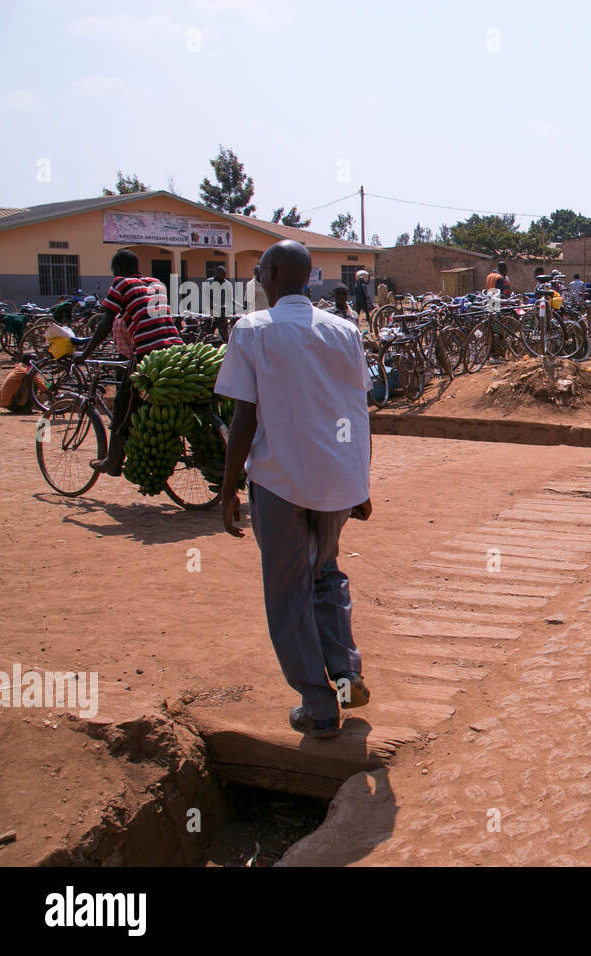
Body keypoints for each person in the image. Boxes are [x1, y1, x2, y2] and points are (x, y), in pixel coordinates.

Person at [216, 240, 373, 740]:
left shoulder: (252, 330)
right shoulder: (345, 331)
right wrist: (359, 481)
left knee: (288, 592)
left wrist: (227, 488)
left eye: (261, 268)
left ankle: (318, 703)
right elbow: (358, 411)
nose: (258, 276)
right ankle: (345, 674)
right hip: (335, 481)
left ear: (275, 272)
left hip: (279, 480)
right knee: (325, 575)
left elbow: (244, 417)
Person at [77, 249, 184, 475]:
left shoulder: (121, 283)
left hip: (148, 351)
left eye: (114, 271)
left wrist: (85, 354)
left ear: (119, 269)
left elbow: (106, 323)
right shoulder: (156, 283)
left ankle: (112, 461)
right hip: (176, 347)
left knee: (123, 405)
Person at [205, 264, 235, 343]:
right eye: (222, 275)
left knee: (224, 332)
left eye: (225, 275)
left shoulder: (227, 283)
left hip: (222, 311)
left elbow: (229, 297)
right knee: (209, 332)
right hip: (211, 310)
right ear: (217, 273)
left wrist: (239, 305)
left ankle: (226, 347)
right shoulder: (209, 282)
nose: (224, 277)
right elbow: (206, 297)